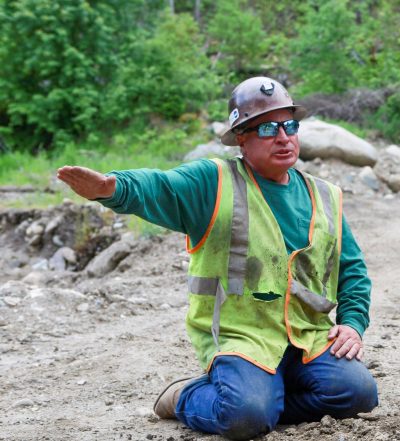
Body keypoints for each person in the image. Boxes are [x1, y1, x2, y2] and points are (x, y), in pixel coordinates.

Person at [56, 77, 378, 440]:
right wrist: (111, 188)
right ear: (241, 136)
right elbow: (160, 187)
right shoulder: (214, 182)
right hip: (241, 338)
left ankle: (265, 400)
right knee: (245, 419)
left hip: (307, 337)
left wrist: (351, 324)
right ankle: (184, 397)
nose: (283, 137)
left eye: (289, 125)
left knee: (359, 393)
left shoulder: (325, 196)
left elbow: (352, 270)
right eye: (268, 128)